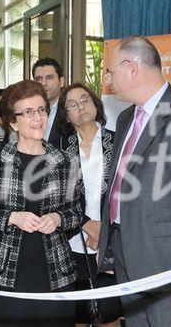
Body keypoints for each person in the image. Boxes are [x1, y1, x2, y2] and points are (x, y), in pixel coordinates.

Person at [96, 35, 171, 326]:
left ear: (133, 68)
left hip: (168, 260)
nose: (108, 80)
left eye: (111, 71)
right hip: (126, 250)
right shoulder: (126, 118)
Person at [0, 80, 80, 326]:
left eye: (41, 110)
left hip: (55, 274)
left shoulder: (65, 160)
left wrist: (58, 218)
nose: (37, 118)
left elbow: (76, 212)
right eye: (27, 112)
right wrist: (12, 218)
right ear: (12, 122)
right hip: (5, 274)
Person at [56, 82, 122, 324]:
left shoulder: (118, 143)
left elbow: (127, 192)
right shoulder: (59, 151)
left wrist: (103, 230)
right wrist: (86, 224)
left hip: (112, 238)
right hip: (73, 240)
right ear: (66, 114)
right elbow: (56, 198)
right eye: (72, 104)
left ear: (95, 104)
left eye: (84, 100)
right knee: (80, 313)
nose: (80, 107)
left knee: (112, 310)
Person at [32, 57, 65, 147]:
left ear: (61, 81)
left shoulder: (69, 111)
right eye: (38, 79)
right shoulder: (27, 112)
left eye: (49, 78)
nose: (43, 83)